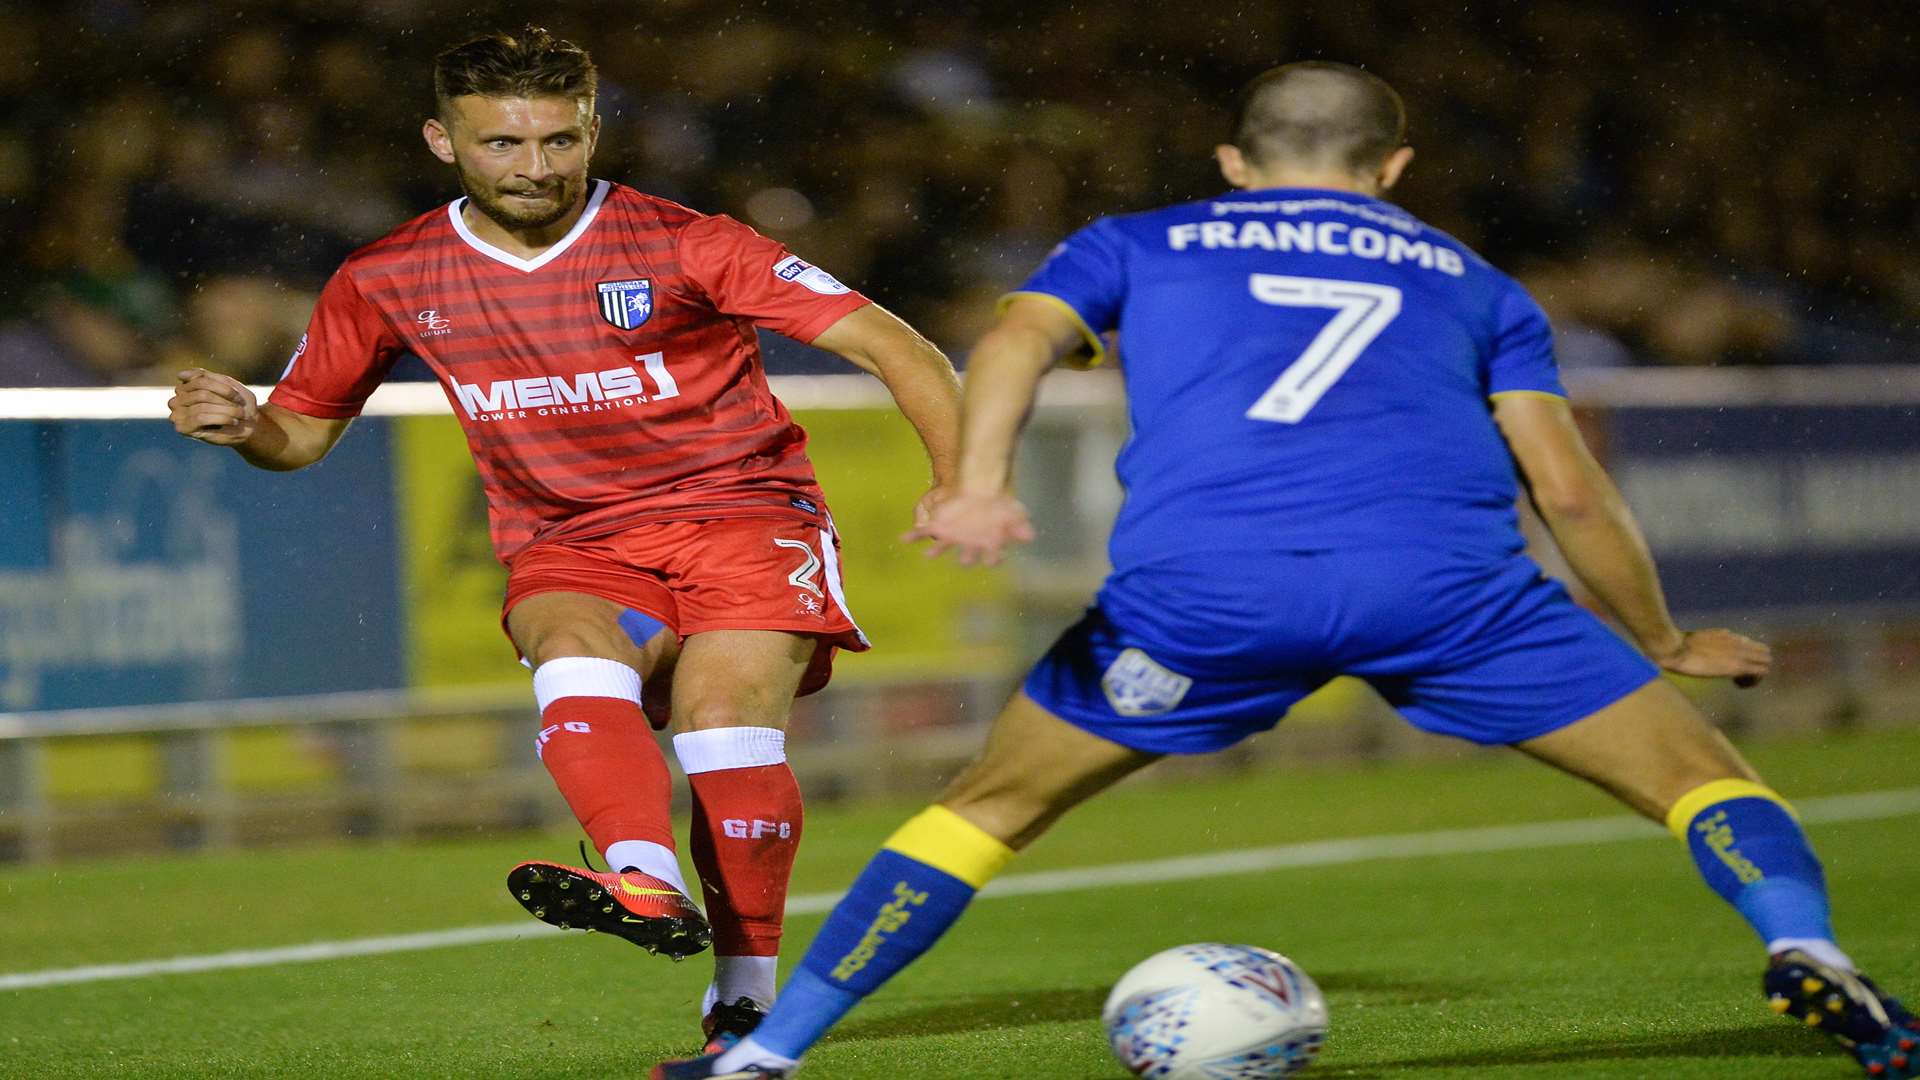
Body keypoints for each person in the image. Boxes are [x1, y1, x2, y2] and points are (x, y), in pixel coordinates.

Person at [655, 62, 1916, 1079]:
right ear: (1396, 168)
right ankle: (1802, 941)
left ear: (1235, 163)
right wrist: (1662, 636)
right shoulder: (1476, 283)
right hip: (1450, 591)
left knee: (985, 808)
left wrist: (976, 482)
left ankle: (766, 1054)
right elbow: (1571, 488)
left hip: (1207, 595)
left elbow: (1019, 335)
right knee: (1702, 781)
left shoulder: (1137, 238)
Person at [166, 27, 962, 1054]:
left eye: (558, 140)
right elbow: (303, 434)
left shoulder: (686, 241)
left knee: (722, 727)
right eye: (503, 143)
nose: (534, 167)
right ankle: (644, 877)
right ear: (443, 141)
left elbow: (895, 343)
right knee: (574, 658)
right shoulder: (389, 274)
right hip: (571, 541)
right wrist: (246, 425)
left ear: (592, 130)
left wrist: (962, 480)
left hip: (742, 515)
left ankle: (745, 997)